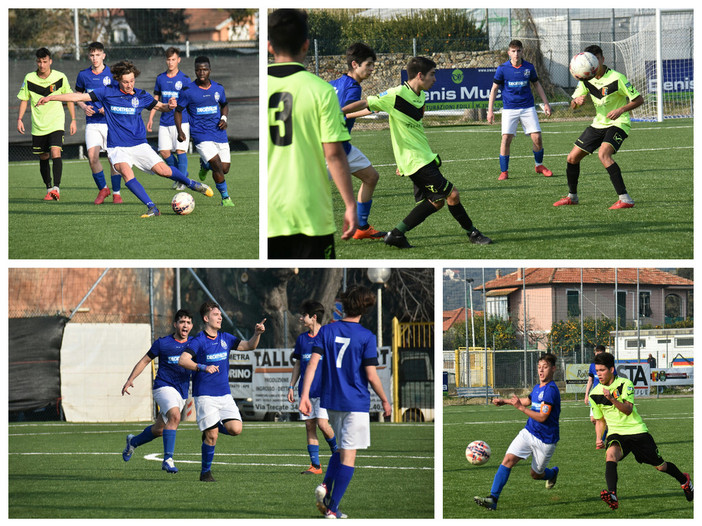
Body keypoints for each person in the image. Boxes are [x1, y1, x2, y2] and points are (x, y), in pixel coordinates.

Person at [344, 56, 492, 249]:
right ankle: (473, 233)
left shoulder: (421, 95)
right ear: (420, 75)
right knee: (452, 195)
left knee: (436, 201)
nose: (435, 80)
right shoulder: (396, 94)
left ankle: (396, 234)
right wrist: (340, 112)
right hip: (417, 161)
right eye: (432, 75)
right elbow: (366, 104)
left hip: (422, 157)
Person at [37, 60, 213, 218]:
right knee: (126, 173)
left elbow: (162, 107)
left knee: (165, 172)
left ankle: (191, 183)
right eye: (125, 82)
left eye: (132, 81)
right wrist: (52, 98)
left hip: (139, 145)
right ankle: (152, 207)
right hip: (117, 147)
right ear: (118, 80)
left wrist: (170, 106)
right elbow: (78, 96)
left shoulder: (141, 95)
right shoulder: (107, 92)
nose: (129, 85)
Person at [267, 8, 357, 259]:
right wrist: (350, 204)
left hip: (268, 213)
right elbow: (334, 155)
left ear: (269, 46)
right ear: (306, 45)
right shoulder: (321, 91)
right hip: (310, 213)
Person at [299, 285, 392, 519]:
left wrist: (304, 395)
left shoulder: (327, 331)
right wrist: (384, 399)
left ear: (344, 306)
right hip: (355, 402)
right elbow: (371, 375)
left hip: (332, 402)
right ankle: (332, 508)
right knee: (349, 456)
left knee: (341, 450)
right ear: (365, 308)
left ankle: (326, 485)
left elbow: (312, 364)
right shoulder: (366, 337)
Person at [589, 352, 693, 509]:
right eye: (597, 371)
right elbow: (600, 420)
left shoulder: (625, 383)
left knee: (660, 466)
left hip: (637, 431)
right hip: (616, 433)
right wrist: (599, 437)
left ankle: (684, 480)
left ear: (611, 369)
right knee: (610, 455)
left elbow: (628, 410)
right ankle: (613, 495)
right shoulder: (594, 394)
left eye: (602, 370)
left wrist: (611, 398)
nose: (599, 374)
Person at [178, 302, 266, 482]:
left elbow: (249, 346)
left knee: (236, 429)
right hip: (205, 395)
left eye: (220, 314)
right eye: (216, 314)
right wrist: (202, 367)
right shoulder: (199, 340)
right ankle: (205, 473)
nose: (220, 317)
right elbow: (183, 360)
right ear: (206, 318)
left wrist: (257, 334)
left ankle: (211, 425)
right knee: (212, 436)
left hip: (224, 395)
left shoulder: (226, 338)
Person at [554, 44, 644, 209]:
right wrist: (576, 103)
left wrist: (621, 109)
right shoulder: (586, 78)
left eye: (596, 60)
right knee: (572, 158)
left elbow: (638, 99)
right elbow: (573, 105)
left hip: (619, 123)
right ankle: (572, 197)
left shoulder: (617, 78)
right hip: (598, 124)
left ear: (601, 59)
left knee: (603, 154)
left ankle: (625, 199)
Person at [474, 353, 560, 511]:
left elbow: (542, 417)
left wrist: (520, 408)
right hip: (528, 432)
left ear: (553, 369)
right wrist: (505, 402)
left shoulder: (551, 391)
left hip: (546, 440)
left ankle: (552, 473)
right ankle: (493, 498)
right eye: (539, 367)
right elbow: (528, 400)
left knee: (535, 474)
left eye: (545, 367)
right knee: (507, 460)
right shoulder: (537, 387)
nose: (541, 371)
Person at [120, 309, 194, 473]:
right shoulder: (163, 343)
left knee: (160, 429)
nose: (185, 325)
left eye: (188, 322)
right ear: (175, 324)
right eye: (182, 322)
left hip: (181, 392)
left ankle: (133, 442)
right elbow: (145, 360)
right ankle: (168, 459)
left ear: (192, 326)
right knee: (175, 416)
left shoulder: (194, 344)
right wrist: (130, 379)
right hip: (163, 386)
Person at [329, 43, 386, 240]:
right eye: (368, 65)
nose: (372, 69)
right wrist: (367, 103)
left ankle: (362, 227)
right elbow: (342, 111)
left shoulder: (334, 83)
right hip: (331, 150)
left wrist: (368, 110)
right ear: (355, 64)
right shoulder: (353, 88)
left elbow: (341, 112)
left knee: (371, 177)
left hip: (344, 147)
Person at [487, 39, 552, 181]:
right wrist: (490, 110)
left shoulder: (528, 67)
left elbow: (537, 85)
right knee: (506, 139)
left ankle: (539, 165)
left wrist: (546, 103)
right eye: (513, 51)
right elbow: (494, 89)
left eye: (518, 51)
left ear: (522, 51)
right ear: (508, 52)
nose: (516, 54)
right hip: (509, 109)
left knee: (537, 137)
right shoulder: (502, 69)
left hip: (528, 108)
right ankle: (504, 171)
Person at [17, 47, 77, 201]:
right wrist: (19, 119)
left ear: (50, 61)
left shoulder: (60, 77)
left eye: (45, 61)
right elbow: (24, 98)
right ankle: (49, 188)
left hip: (56, 122)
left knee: (56, 152)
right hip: (38, 125)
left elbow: (69, 97)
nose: (42, 65)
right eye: (39, 61)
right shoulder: (29, 78)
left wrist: (73, 120)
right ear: (36, 62)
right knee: (43, 156)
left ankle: (56, 188)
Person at [174, 56, 235, 207]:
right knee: (216, 164)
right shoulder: (187, 91)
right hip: (200, 135)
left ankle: (205, 165)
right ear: (195, 71)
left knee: (224, 169)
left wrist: (224, 118)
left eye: (205, 69)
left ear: (210, 70)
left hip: (219, 133)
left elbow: (225, 105)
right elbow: (178, 111)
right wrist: (180, 131)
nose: (201, 73)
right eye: (198, 70)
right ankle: (226, 198)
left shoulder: (218, 88)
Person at [287, 300, 338, 474]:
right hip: (307, 392)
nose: (301, 318)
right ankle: (315, 466)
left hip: (325, 391)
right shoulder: (302, 339)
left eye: (304, 315)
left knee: (323, 424)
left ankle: (338, 456)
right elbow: (298, 365)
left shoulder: (328, 336)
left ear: (314, 317)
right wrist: (291, 386)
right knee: (310, 425)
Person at [75, 42, 122, 204]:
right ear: (89, 56)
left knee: (112, 158)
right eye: (92, 55)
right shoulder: (83, 75)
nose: (94, 58)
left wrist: (107, 108)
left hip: (109, 123)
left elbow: (118, 95)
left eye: (97, 55)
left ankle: (117, 193)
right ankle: (103, 189)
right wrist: (83, 106)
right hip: (92, 123)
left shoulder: (112, 74)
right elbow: (78, 94)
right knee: (92, 158)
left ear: (104, 55)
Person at [147, 47, 191, 192]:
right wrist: (151, 118)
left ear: (179, 60)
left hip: (181, 121)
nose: (170, 62)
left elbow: (188, 100)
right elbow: (156, 99)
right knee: (164, 152)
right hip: (164, 122)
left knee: (180, 151)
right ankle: (182, 175)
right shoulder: (160, 78)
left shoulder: (185, 79)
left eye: (173, 59)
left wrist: (178, 105)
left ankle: (182, 181)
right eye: (168, 59)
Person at [583, 344, 614, 447]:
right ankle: (605, 433)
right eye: (597, 353)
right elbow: (590, 380)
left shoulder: (608, 366)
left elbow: (614, 380)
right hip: (595, 395)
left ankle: (601, 439)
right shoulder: (592, 366)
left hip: (605, 395)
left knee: (602, 419)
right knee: (593, 419)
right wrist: (586, 394)